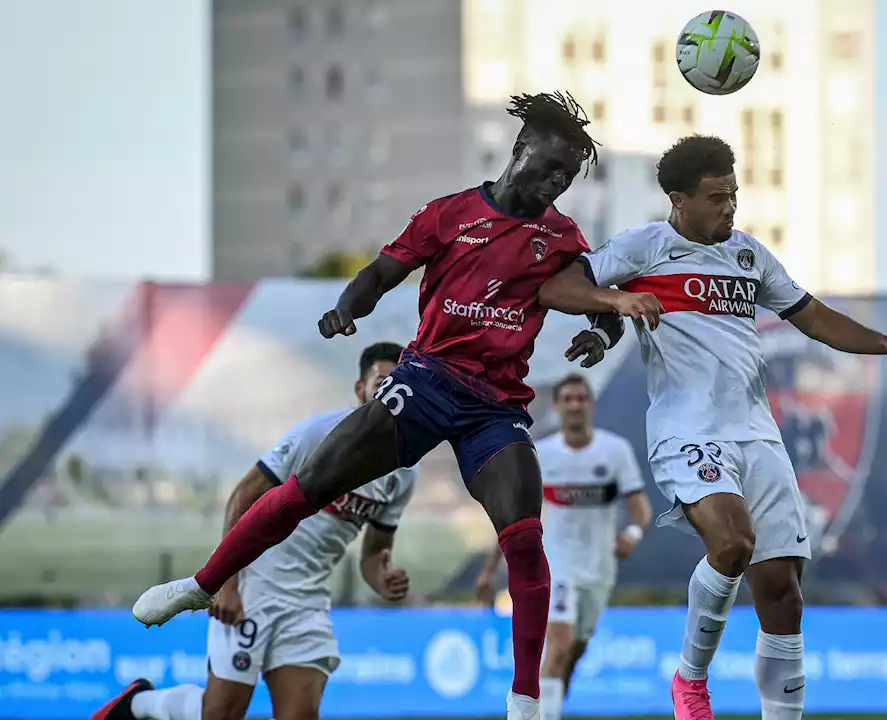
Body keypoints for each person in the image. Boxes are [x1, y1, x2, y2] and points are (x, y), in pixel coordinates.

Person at [131, 92, 626, 720]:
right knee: (309, 486)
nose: (555, 183)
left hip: (494, 410)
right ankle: (200, 587)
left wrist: (603, 332)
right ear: (520, 148)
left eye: (566, 176)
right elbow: (381, 274)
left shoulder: (560, 234)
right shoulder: (448, 215)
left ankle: (525, 701)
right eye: (549, 166)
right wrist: (347, 307)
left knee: (525, 540)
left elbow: (595, 294)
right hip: (424, 383)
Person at [537, 134, 887, 720]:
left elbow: (814, 317)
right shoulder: (646, 246)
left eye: (733, 195)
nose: (730, 208)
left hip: (758, 434)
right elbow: (557, 287)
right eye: (716, 197)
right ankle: (690, 681)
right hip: (687, 431)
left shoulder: (749, 256)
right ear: (678, 199)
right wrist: (615, 303)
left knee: (782, 594)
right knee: (732, 543)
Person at [93, 343, 415, 720]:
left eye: (398, 383)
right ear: (360, 390)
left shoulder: (404, 472)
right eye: (380, 382)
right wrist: (227, 583)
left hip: (308, 603)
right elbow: (245, 495)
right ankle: (139, 705)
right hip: (253, 585)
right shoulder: (319, 435)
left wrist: (383, 578)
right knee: (220, 714)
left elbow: (375, 552)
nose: (389, 393)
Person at [475, 374, 652, 720]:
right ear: (557, 406)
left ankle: (552, 705)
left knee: (571, 653)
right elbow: (514, 516)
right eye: (568, 399)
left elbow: (640, 507)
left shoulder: (615, 451)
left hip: (599, 569)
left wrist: (632, 532)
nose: (575, 405)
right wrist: (488, 570)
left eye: (581, 398)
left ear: (591, 404)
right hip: (555, 566)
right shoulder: (541, 453)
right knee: (555, 647)